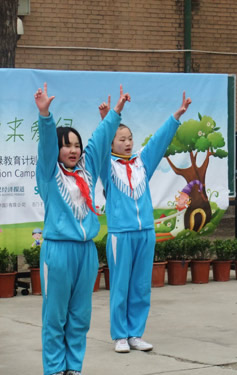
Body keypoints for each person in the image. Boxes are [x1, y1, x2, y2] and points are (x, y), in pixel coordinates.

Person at [35, 83, 130, 375]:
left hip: (86, 252)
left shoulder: (86, 170)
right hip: (57, 252)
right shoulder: (49, 173)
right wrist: (45, 115)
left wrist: (115, 114)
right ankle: (54, 369)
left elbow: (100, 141)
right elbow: (48, 147)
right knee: (55, 317)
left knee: (80, 316)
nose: (73, 150)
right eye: (67, 145)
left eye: (76, 145)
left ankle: (73, 368)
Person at [98, 92, 192, 353]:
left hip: (145, 233)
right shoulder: (106, 165)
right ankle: (119, 335)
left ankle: (135, 334)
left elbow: (159, 141)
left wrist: (177, 115)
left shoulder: (142, 163)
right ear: (112, 143)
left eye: (130, 139)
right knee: (120, 285)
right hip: (121, 233)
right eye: (121, 139)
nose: (128, 143)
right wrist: (107, 122)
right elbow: (99, 146)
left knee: (140, 285)